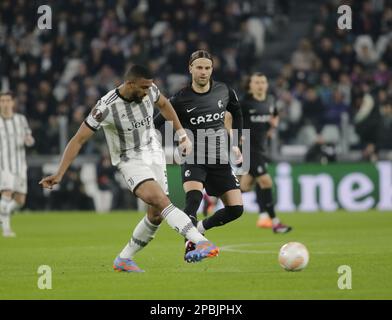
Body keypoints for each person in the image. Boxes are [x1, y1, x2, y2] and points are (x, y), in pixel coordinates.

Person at [39, 65, 219, 272]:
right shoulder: (105, 107)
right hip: (130, 160)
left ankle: (124, 259)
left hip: (153, 152)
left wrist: (182, 134)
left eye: (149, 87)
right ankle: (200, 240)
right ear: (130, 83)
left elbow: (165, 105)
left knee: (156, 215)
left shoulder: (150, 90)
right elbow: (78, 139)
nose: (146, 92)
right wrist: (60, 172)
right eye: (143, 87)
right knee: (161, 201)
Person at [154, 50, 244, 261]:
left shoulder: (224, 91)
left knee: (236, 209)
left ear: (212, 69)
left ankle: (200, 229)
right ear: (191, 69)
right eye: (199, 68)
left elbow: (237, 112)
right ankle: (190, 245)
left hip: (219, 158)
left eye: (207, 68)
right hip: (194, 157)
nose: (203, 72)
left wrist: (237, 142)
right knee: (193, 199)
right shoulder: (181, 98)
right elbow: (157, 122)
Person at [237, 73, 292, 233]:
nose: (260, 85)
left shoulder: (270, 100)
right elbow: (229, 117)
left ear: (266, 85)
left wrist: (271, 127)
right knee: (266, 182)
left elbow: (274, 115)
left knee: (245, 186)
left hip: (261, 149)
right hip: (248, 149)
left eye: (263, 82)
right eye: (257, 82)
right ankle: (275, 222)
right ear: (251, 85)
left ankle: (212, 196)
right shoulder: (244, 103)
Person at [0, 92, 35, 237]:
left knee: (20, 201)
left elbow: (30, 138)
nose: (5, 103)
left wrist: (29, 141)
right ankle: (6, 229)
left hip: (20, 164)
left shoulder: (21, 120)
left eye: (8, 100)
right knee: (7, 193)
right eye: (2, 101)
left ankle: (3, 212)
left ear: (12, 103)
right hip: (3, 165)